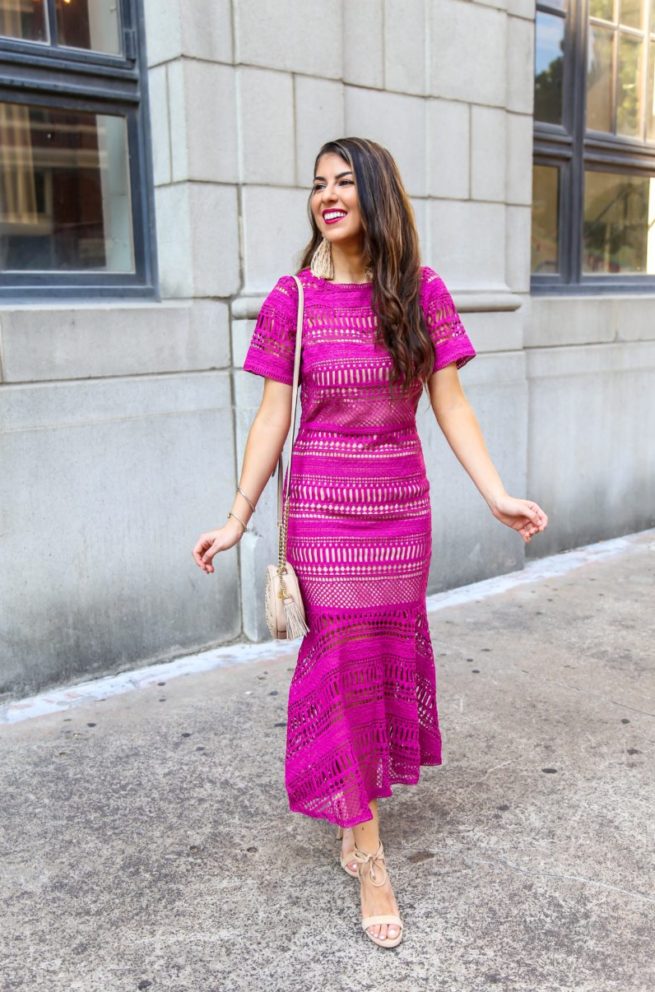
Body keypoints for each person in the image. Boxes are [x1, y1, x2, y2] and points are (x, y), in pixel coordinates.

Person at [192, 137, 548, 949]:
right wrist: (239, 514)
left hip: (399, 513)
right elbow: (272, 416)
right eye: (317, 184)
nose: (326, 195)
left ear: (376, 194)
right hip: (322, 514)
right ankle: (372, 849)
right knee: (342, 657)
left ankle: (355, 816)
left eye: (344, 182)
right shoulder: (295, 298)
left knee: (382, 660)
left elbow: (450, 403)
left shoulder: (418, 292)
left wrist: (495, 494)